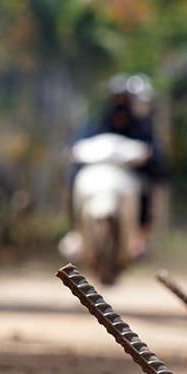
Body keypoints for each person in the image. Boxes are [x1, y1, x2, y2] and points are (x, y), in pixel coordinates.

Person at [65, 75, 167, 256]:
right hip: (100, 172)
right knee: (75, 179)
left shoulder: (140, 126)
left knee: (145, 187)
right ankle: (77, 231)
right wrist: (73, 150)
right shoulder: (100, 121)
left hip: (130, 175)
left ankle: (140, 236)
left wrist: (150, 156)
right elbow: (81, 140)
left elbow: (158, 158)